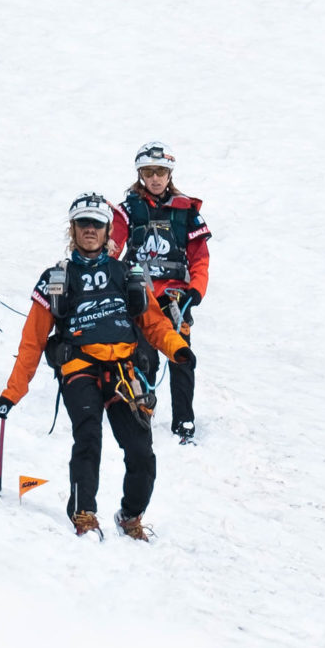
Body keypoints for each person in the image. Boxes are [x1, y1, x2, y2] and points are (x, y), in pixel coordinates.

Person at [0, 192, 190, 540]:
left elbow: (154, 324)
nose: (90, 230)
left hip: (123, 373)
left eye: (97, 225)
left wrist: (177, 350)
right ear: (72, 229)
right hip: (79, 368)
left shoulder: (126, 273)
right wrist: (13, 393)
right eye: (83, 224)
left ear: (107, 230)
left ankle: (131, 516)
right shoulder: (56, 278)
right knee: (88, 437)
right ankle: (83, 512)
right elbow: (33, 340)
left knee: (141, 451)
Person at [115, 142, 211, 443]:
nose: (155, 178)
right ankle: (142, 410)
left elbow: (200, 256)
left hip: (176, 297)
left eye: (161, 172)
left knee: (181, 356)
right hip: (139, 293)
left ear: (170, 174)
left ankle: (184, 420)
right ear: (140, 175)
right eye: (148, 172)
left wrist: (196, 291)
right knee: (143, 356)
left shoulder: (187, 212)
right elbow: (113, 248)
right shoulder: (127, 211)